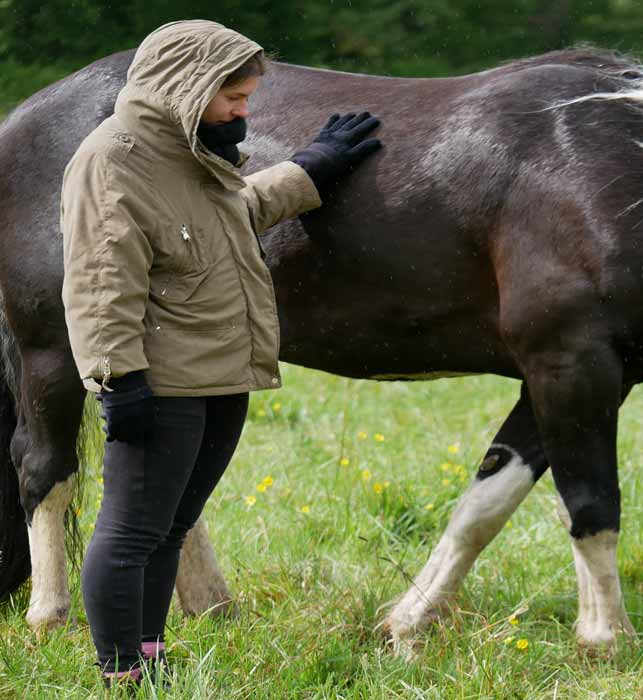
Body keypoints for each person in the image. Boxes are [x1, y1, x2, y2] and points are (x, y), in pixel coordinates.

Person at [59, 20, 382, 687]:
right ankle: (122, 674)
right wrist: (119, 381)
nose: (244, 111)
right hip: (161, 380)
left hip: (221, 371)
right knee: (131, 534)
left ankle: (149, 657)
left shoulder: (194, 151)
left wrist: (309, 170)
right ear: (185, 87)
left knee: (170, 528)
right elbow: (99, 281)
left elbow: (225, 220)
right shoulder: (113, 160)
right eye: (233, 97)